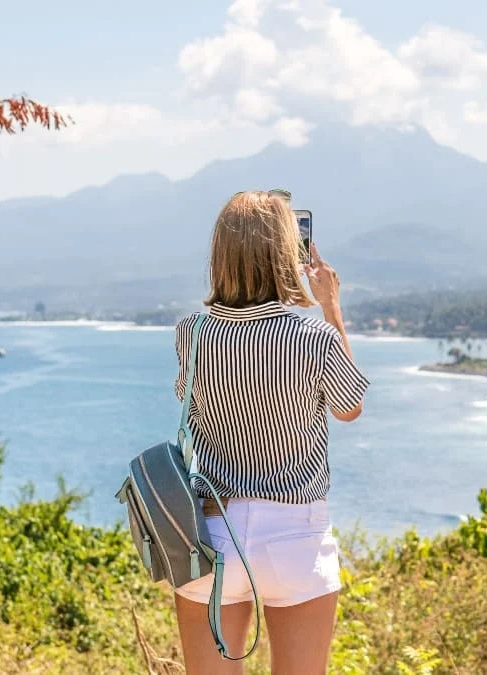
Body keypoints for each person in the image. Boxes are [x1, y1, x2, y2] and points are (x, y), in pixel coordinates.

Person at [172, 190, 368, 674]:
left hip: (212, 532)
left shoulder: (191, 332)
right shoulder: (312, 336)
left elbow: (190, 401)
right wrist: (331, 308)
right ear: (286, 254)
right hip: (295, 534)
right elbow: (348, 408)